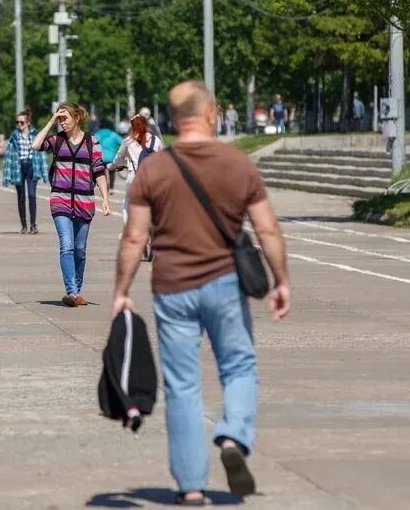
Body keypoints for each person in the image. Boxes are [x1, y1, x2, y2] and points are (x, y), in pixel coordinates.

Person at [111, 81, 290, 506]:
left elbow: (134, 238)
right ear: (211, 111)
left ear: (173, 120)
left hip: (172, 289)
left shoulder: (153, 169)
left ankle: (191, 488)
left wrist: (121, 291)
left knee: (182, 385)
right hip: (226, 285)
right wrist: (281, 280)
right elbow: (266, 228)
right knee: (240, 367)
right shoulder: (237, 163)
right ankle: (233, 437)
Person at [33, 102, 112, 307]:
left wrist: (104, 198)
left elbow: (99, 170)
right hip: (60, 199)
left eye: (65, 118)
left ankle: (76, 291)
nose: (62, 122)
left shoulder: (91, 142)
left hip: (85, 200)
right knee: (66, 246)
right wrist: (51, 120)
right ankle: (72, 291)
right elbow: (36, 145)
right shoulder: (56, 141)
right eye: (59, 119)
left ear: (77, 118)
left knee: (80, 249)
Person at [110, 112, 164, 229]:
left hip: (134, 177)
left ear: (132, 127)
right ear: (146, 125)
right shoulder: (156, 140)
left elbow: (118, 158)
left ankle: (129, 227)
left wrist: (111, 166)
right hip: (152, 179)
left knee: (127, 202)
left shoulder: (128, 141)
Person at [2, 110, 49, 234]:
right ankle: (24, 225)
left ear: (28, 123)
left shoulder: (35, 135)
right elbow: (8, 157)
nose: (19, 125)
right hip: (18, 168)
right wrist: (6, 177)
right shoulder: (14, 137)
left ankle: (33, 225)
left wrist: (45, 174)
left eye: (21, 122)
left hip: (32, 167)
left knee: (32, 195)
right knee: (21, 197)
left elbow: (42, 154)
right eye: (17, 122)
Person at [95, 120, 124, 194]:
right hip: (111, 158)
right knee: (112, 172)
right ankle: (111, 188)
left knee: (102, 173)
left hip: (100, 157)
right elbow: (123, 142)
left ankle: (104, 188)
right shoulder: (113, 135)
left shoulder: (97, 135)